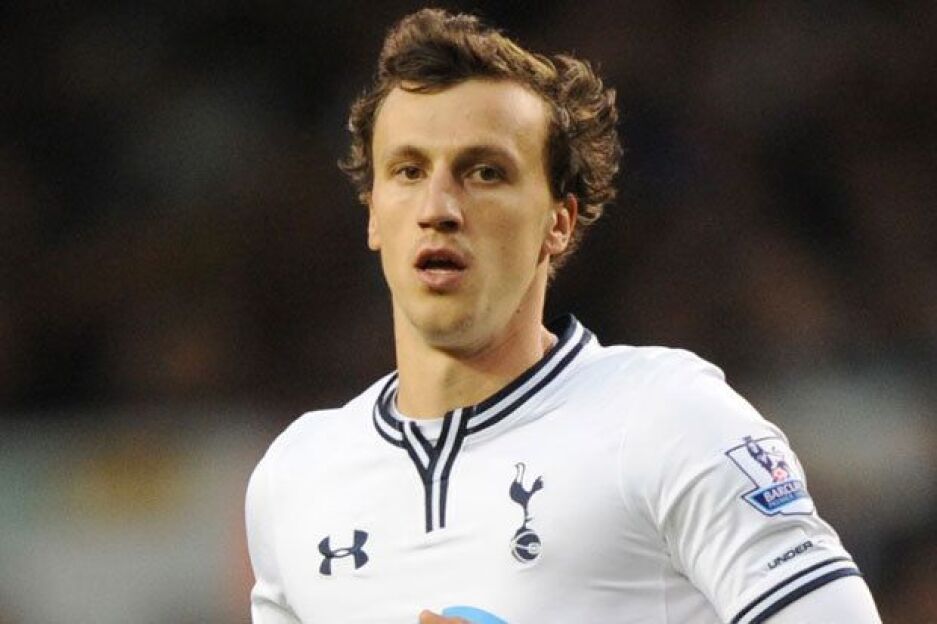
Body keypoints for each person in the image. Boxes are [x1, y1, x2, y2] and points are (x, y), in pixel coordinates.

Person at [245, 9, 882, 623]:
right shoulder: (296, 477)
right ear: (373, 215)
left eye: (484, 172)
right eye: (408, 171)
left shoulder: (668, 417)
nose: (437, 208)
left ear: (559, 222)